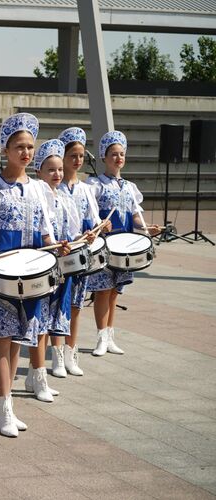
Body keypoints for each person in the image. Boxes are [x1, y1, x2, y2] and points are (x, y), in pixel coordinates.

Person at [0, 113, 68, 437]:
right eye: (20, 146)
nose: (26, 153)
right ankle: (5, 405)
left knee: (17, 338)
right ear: (6, 149)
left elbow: (46, 237)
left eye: (30, 147)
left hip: (30, 277)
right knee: (1, 340)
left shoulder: (39, 191)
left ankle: (0, 403)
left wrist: (59, 247)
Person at [86, 131, 160, 357]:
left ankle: (110, 337)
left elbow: (135, 216)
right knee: (102, 290)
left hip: (124, 247)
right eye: (113, 154)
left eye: (121, 154)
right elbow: (89, 214)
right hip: (104, 244)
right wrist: (99, 226)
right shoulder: (94, 184)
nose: (118, 158)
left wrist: (147, 228)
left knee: (115, 291)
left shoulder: (129, 187)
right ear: (104, 157)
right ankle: (100, 337)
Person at [25, 139, 87, 401]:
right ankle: (39, 377)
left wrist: (83, 239)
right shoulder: (36, 193)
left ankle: (33, 375)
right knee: (39, 321)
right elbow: (40, 233)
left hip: (61, 266)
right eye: (51, 170)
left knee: (54, 315)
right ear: (39, 172)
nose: (57, 174)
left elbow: (73, 231)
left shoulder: (63, 198)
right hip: (42, 265)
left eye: (60, 169)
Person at [56, 127, 101, 376]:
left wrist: (95, 231)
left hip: (80, 255)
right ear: (62, 156)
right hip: (60, 254)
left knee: (75, 306)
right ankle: (57, 355)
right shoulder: (54, 187)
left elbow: (95, 221)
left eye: (81, 155)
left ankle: (71, 352)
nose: (78, 160)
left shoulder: (85, 189)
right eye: (73, 155)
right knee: (56, 304)